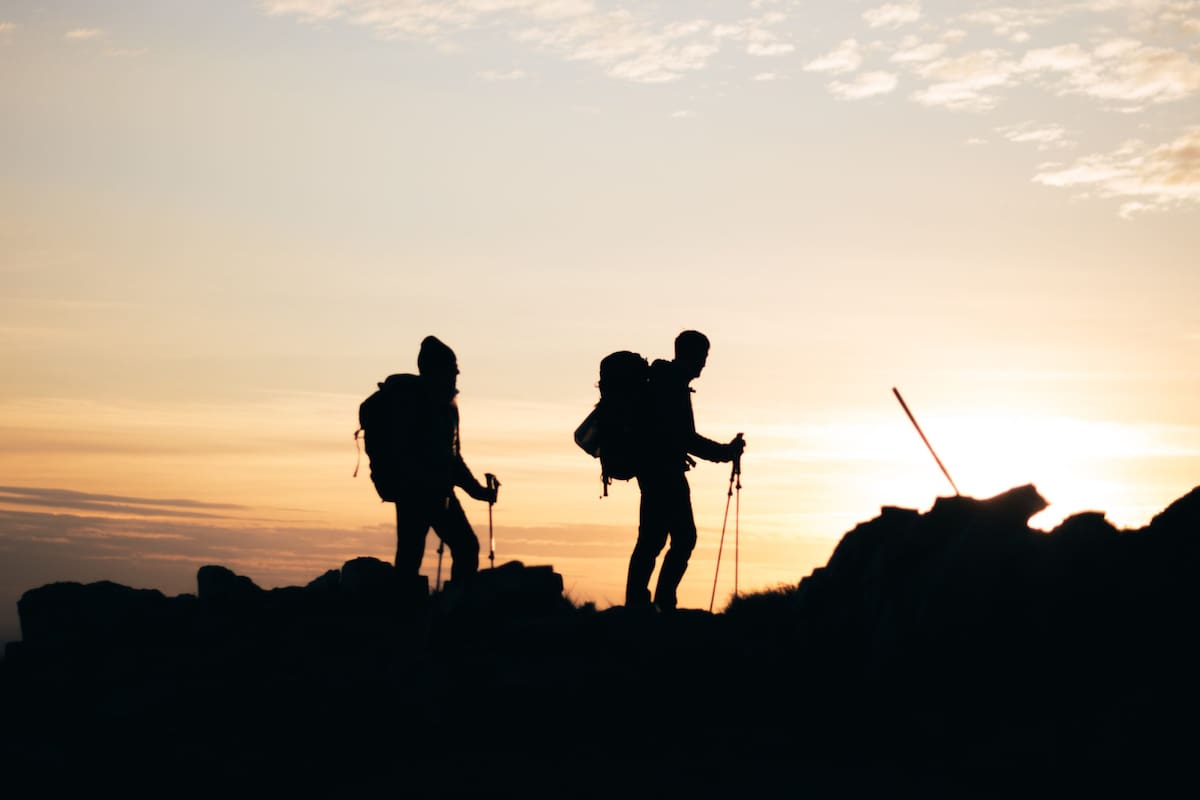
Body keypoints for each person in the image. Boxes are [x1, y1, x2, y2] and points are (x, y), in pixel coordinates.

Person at [625, 330, 745, 612]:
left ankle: (643, 602)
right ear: (692, 355)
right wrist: (725, 453)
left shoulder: (665, 381)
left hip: (655, 469)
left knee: (656, 538)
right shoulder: (671, 385)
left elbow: (680, 436)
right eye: (703, 356)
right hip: (662, 471)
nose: (705, 363)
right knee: (677, 538)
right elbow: (685, 438)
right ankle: (657, 603)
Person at [393, 335, 498, 586]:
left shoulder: (433, 402)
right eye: (452, 369)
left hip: (413, 491)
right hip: (430, 492)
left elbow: (451, 457)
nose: (455, 375)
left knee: (410, 555)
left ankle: (402, 613)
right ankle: (456, 610)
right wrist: (477, 492)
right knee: (466, 547)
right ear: (438, 370)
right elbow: (449, 458)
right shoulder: (435, 405)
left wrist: (476, 491)